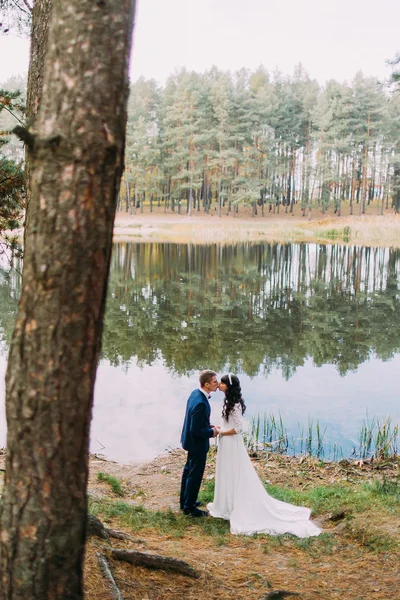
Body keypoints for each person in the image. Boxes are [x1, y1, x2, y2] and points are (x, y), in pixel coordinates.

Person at [207, 374, 321, 537]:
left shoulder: (235, 405)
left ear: (229, 386)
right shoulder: (228, 402)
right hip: (226, 442)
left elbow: (239, 428)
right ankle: (226, 503)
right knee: (227, 472)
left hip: (231, 443)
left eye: (223, 383)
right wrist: (221, 427)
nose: (219, 385)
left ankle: (234, 504)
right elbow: (230, 424)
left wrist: (222, 432)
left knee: (233, 471)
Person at [180, 369, 220, 517]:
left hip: (189, 442)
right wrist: (212, 433)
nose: (218, 384)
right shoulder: (202, 403)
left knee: (188, 471)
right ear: (207, 384)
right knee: (194, 475)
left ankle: (185, 500)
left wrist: (208, 425)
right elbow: (196, 430)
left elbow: (195, 421)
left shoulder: (195, 394)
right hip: (197, 444)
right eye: (215, 382)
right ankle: (189, 508)